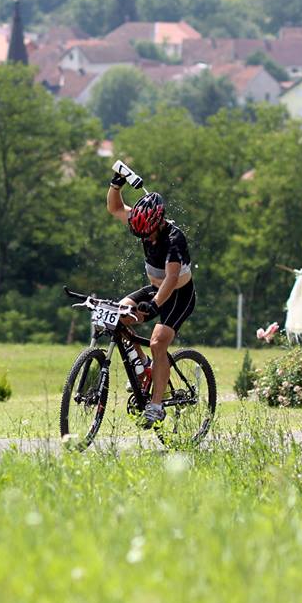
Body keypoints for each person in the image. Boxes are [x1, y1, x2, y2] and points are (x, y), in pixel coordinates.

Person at [107, 171, 196, 428]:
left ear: (158, 222)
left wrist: (155, 304)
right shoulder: (142, 221)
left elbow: (171, 278)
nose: (145, 239)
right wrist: (116, 184)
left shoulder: (174, 239)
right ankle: (144, 366)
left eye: (148, 234)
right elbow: (114, 208)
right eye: (140, 234)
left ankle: (156, 406)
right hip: (155, 288)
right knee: (119, 314)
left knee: (158, 343)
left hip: (178, 295)